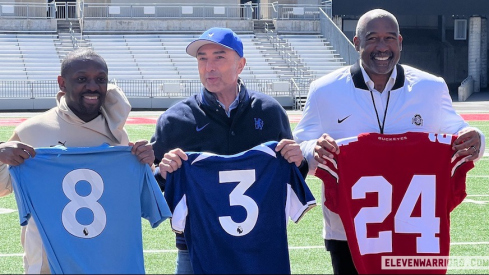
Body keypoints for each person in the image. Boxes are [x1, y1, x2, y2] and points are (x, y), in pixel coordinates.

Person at [293, 9, 486, 274]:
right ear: (356, 42)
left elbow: (462, 137)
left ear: (400, 42)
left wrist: (477, 139)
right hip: (347, 231)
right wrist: (313, 150)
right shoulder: (324, 90)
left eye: (389, 38)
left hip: (416, 234)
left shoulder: (430, 87)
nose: (382, 47)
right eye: (372, 38)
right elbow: (299, 148)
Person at [151, 27, 307, 274]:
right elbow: (152, 184)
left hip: (259, 244)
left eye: (219, 57)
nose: (209, 66)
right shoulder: (175, 120)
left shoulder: (269, 111)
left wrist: (299, 161)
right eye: (202, 58)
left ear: (241, 64)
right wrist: (162, 171)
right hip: (196, 247)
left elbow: (290, 174)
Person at [0, 48, 155, 273]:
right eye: (82, 79)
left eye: (100, 79)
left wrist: (145, 163)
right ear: (62, 83)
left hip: (106, 258)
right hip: (48, 262)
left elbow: (131, 195)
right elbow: (2, 187)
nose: (92, 86)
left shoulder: (118, 133)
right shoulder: (32, 130)